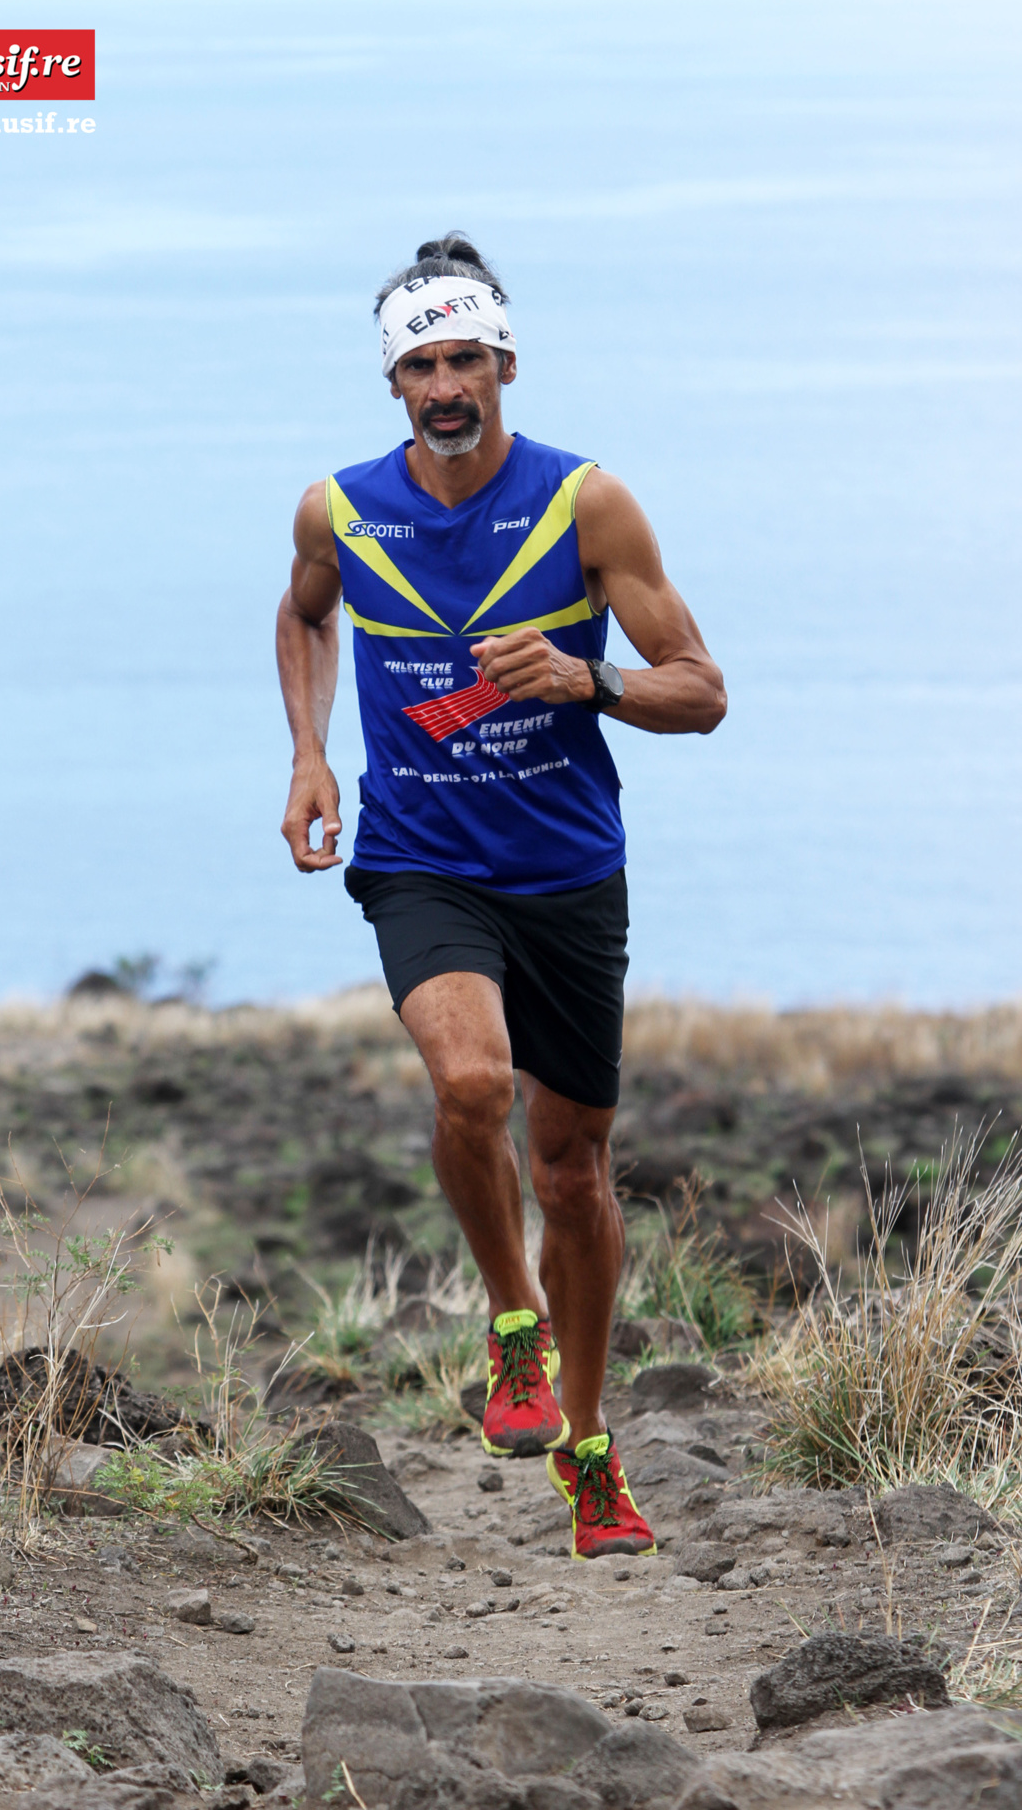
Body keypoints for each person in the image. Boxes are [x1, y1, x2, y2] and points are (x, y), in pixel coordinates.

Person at [276, 234, 726, 1560]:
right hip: (424, 859)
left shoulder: (588, 506)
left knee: (574, 1164)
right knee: (470, 1087)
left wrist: (586, 681)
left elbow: (700, 687)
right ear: (394, 385)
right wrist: (310, 751)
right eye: (419, 364)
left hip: (569, 873)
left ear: (505, 363)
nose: (444, 383)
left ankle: (589, 1446)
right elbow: (305, 615)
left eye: (465, 356)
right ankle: (510, 1319)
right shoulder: (341, 511)